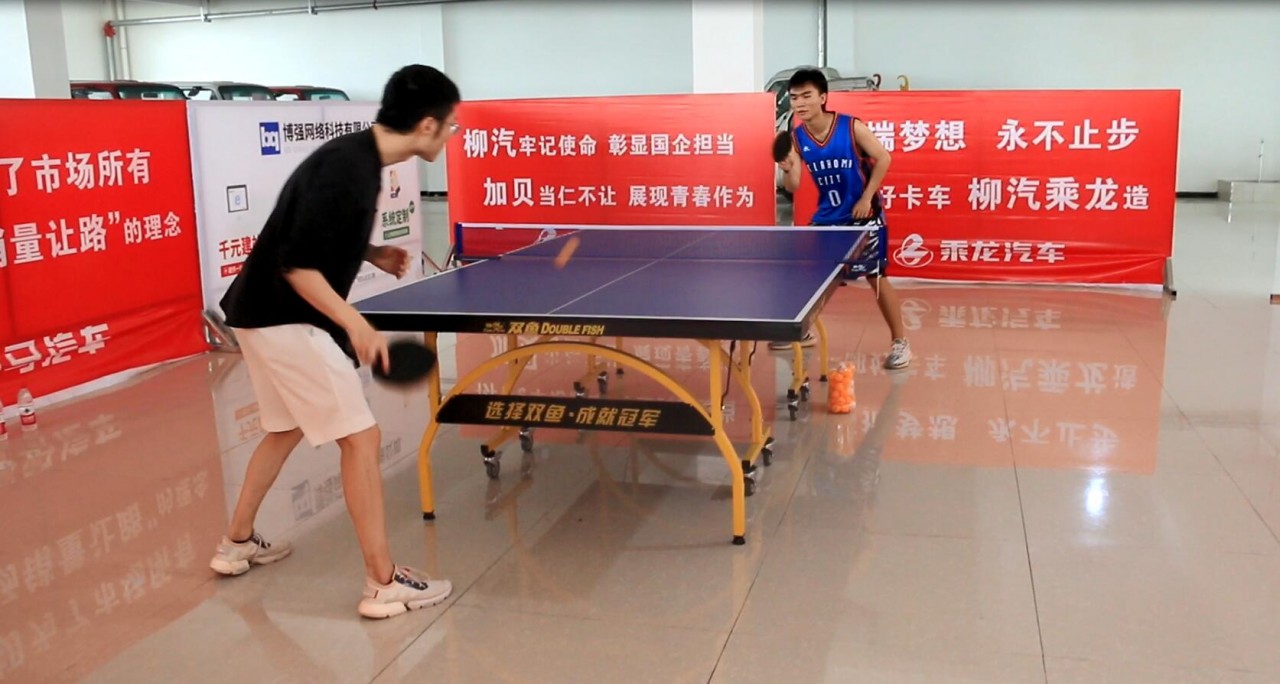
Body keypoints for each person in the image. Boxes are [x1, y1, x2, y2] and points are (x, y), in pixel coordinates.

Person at [208, 64, 460, 620]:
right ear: (427, 124)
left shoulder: (356, 160)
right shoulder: (350, 167)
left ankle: (236, 543)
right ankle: (383, 583)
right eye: (450, 125)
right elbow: (298, 265)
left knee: (284, 428)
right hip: (286, 318)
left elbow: (309, 232)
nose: (451, 134)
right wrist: (356, 324)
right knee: (362, 439)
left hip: (257, 312)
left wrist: (372, 254)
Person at [775, 68, 912, 371]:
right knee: (818, 277)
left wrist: (866, 198)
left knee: (876, 278)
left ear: (822, 97)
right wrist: (787, 169)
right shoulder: (797, 138)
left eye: (807, 96)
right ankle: (804, 330)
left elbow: (884, 158)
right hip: (829, 217)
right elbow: (794, 186)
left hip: (864, 215)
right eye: (795, 98)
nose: (800, 103)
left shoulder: (850, 127)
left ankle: (900, 342)